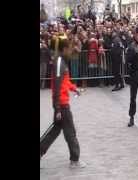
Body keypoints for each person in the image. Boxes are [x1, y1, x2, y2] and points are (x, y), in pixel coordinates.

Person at [40, 37, 86, 169]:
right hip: (62, 104)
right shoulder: (59, 62)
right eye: (70, 48)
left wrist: (75, 88)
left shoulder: (61, 61)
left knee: (55, 130)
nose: (71, 50)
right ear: (64, 49)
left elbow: (65, 82)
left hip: (61, 103)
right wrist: (58, 108)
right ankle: (75, 160)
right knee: (70, 131)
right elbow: (57, 86)